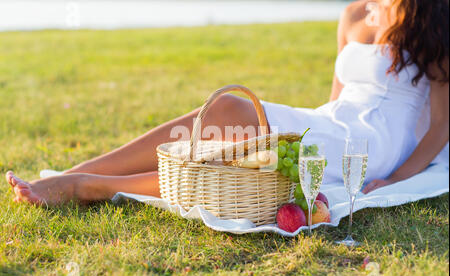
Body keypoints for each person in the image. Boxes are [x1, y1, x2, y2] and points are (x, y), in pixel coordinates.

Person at [5, 0, 449, 206]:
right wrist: (299, 124)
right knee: (226, 112)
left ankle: (89, 185)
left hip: (374, 146)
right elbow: (332, 101)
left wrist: (396, 178)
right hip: (333, 121)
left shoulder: (433, 16)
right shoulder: (353, 13)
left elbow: (441, 126)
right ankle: (74, 172)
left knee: (254, 155)